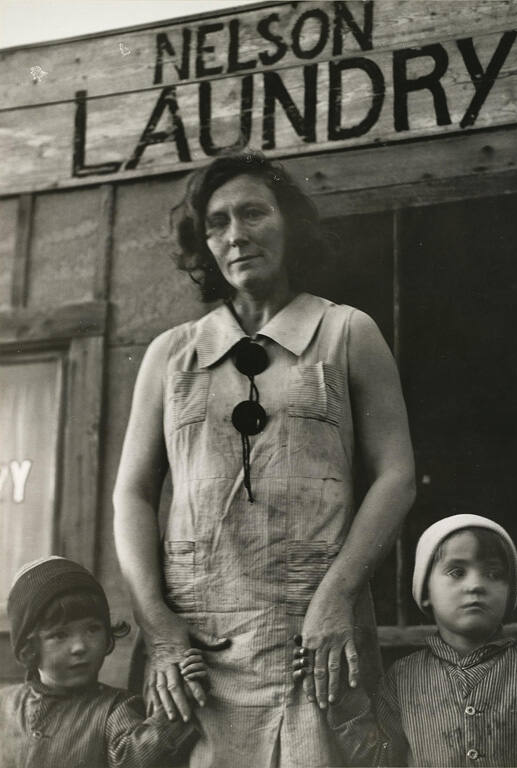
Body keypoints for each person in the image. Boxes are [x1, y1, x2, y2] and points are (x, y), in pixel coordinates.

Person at [113, 150, 415, 767]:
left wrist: (337, 596)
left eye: (253, 213)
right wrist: (157, 625)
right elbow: (132, 494)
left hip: (316, 643)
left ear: (290, 224)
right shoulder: (172, 355)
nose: (236, 235)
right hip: (199, 653)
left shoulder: (346, 332)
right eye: (217, 223)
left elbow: (397, 475)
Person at [304, 514, 517, 766]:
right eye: (457, 572)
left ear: (510, 593)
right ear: (425, 591)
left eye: (493, 574)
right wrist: (344, 700)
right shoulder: (401, 680)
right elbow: (379, 761)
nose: (476, 585)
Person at [0, 556, 205, 768]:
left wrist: (185, 697)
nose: (80, 646)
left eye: (92, 629)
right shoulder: (5, 704)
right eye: (60, 635)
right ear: (29, 648)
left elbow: (135, 759)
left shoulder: (114, 710)